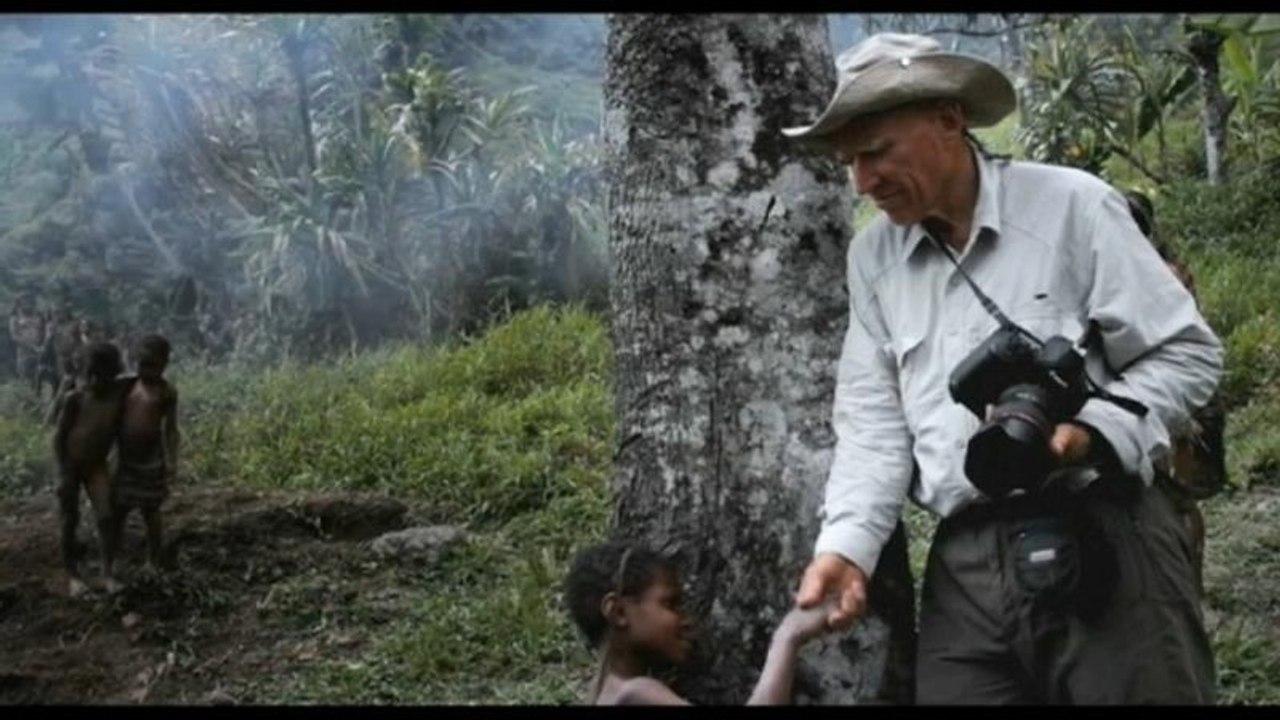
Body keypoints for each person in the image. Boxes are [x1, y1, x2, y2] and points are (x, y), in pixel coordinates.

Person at [781, 33, 1222, 704]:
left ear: (949, 121)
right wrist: (846, 549)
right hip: (967, 563)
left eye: (876, 153)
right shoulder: (873, 260)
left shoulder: (1072, 206)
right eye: (849, 162)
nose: (862, 183)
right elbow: (872, 426)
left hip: (1105, 525)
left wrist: (1091, 432)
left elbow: (1188, 352)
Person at [563, 541, 832, 705]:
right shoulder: (635, 693)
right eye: (670, 604)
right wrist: (788, 636)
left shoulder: (603, 694)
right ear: (618, 612)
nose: (687, 619)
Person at [1123, 189, 1227, 596]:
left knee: (1173, 502)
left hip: (1169, 404)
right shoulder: (1166, 268)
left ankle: (1183, 586)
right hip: (1180, 399)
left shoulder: (1153, 274)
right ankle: (1187, 584)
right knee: (1179, 501)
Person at [52, 341, 129, 597]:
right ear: (84, 373)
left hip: (96, 465)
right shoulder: (75, 399)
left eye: (102, 376)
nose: (95, 381)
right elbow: (59, 437)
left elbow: (137, 377)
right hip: (71, 465)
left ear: (113, 374)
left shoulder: (118, 396)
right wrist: (63, 471)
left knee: (107, 517)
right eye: (90, 375)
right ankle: (72, 575)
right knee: (69, 519)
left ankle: (107, 573)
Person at [111, 333, 180, 573]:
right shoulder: (126, 385)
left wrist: (172, 461)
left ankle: (154, 558)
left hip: (151, 460)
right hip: (125, 460)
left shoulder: (166, 392)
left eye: (152, 365)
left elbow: (170, 430)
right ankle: (116, 555)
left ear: (164, 364)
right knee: (118, 509)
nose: (145, 370)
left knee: (151, 511)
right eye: (141, 363)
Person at [8, 296, 45, 393]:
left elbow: (43, 331)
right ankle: (25, 401)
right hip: (23, 353)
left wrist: (42, 346)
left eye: (29, 302)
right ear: (19, 304)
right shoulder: (15, 318)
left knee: (38, 378)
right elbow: (14, 337)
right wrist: (32, 347)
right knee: (24, 378)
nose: (27, 305)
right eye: (24, 303)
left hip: (39, 352)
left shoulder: (39, 316)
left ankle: (37, 400)